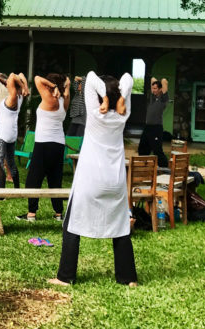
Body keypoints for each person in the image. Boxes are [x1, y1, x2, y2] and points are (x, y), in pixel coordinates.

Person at [49, 71, 138, 287]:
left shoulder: (96, 114)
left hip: (90, 181)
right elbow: (127, 78)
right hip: (115, 182)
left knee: (71, 226)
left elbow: (89, 76)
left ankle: (65, 277)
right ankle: (128, 279)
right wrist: (120, 98)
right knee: (121, 229)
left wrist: (105, 98)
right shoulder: (121, 116)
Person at [18, 73, 69, 222]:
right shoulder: (64, 99)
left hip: (44, 144)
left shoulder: (50, 99)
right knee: (55, 178)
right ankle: (59, 213)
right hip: (59, 145)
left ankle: (31, 214)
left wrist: (53, 86)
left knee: (33, 179)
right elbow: (67, 82)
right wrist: (64, 85)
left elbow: (37, 79)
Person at [0, 73, 29, 189]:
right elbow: (21, 75)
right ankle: (17, 189)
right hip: (12, 134)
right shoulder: (19, 97)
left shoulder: (12, 97)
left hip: (3, 134)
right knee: (11, 163)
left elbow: (13, 75)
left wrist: (23, 87)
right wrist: (24, 87)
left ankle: (1, 193)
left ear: (13, 87)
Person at [138, 77, 170, 167]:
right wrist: (155, 85)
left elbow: (164, 81)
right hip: (148, 127)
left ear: (160, 89)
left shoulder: (163, 98)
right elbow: (152, 79)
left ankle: (165, 167)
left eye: (155, 88)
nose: (153, 90)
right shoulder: (152, 97)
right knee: (142, 148)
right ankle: (144, 166)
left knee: (157, 150)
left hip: (156, 128)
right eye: (152, 88)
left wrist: (160, 84)